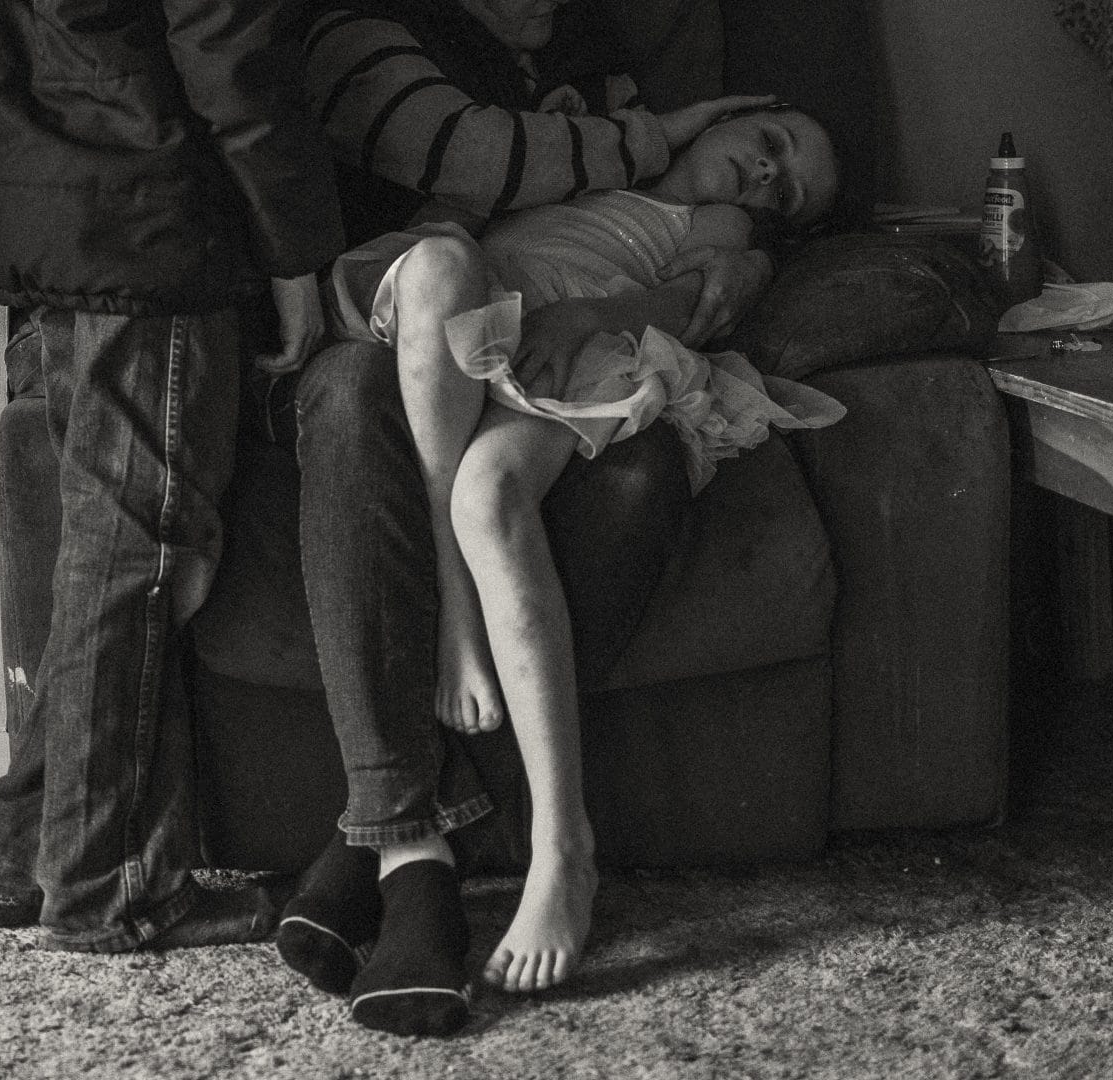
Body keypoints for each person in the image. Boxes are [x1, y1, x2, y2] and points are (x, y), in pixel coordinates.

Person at [272, 0, 792, 1037]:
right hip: (394, 330)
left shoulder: (601, 63)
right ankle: (412, 855)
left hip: (537, 352)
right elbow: (473, 162)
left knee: (596, 476)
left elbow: (713, 270)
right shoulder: (368, 27)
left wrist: (682, 274)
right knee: (351, 398)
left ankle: (382, 830)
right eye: (770, 146)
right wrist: (669, 132)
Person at [0, 0, 344, 953]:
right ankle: (108, 887)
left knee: (106, 548)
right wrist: (296, 255)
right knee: (138, 551)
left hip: (45, 201)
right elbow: (232, 55)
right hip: (145, 213)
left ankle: (23, 846)